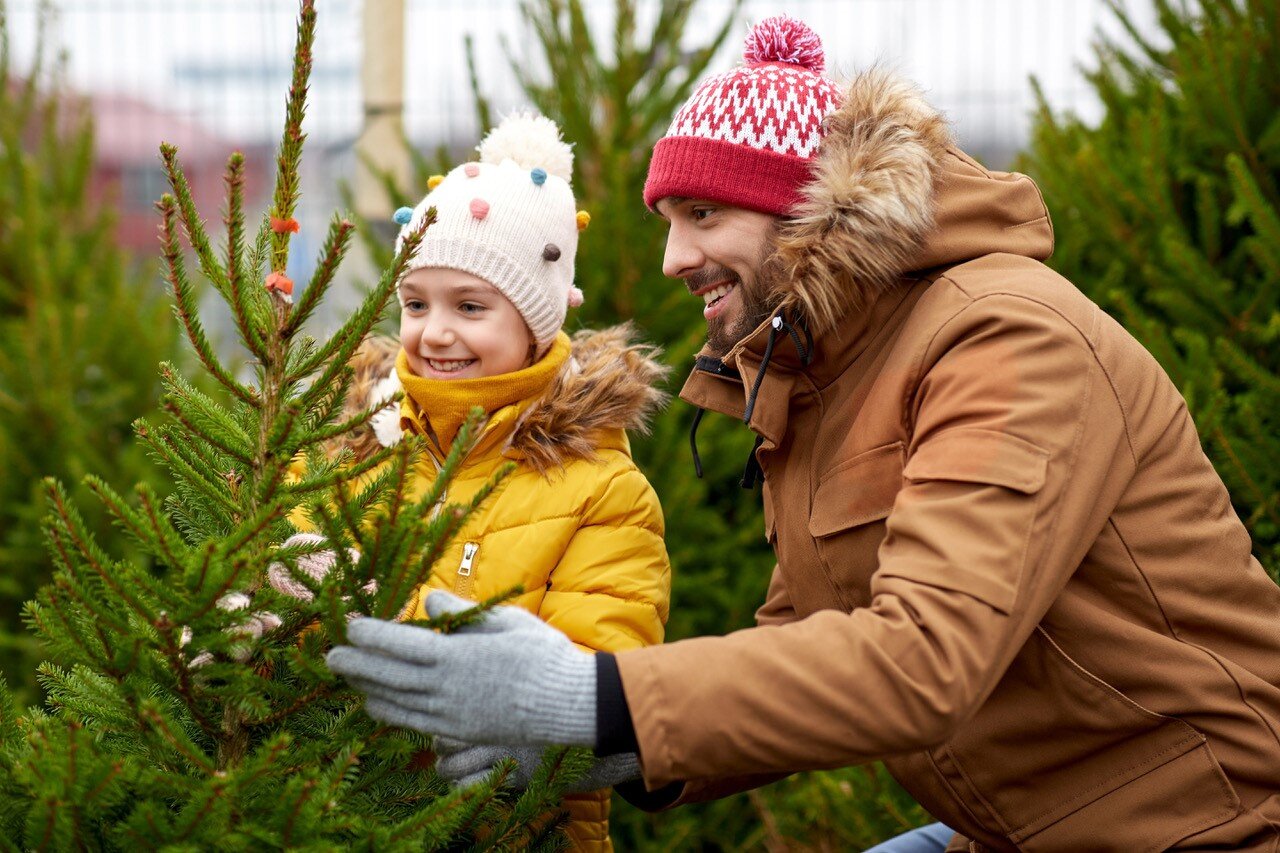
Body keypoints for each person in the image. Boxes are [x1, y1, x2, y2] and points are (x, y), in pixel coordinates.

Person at [327, 16, 1280, 852]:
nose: (673, 257)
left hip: (1202, 824)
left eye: (703, 214)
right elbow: (805, 635)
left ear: (807, 211)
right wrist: (613, 751)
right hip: (1013, 831)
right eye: (669, 220)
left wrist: (592, 699)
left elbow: (924, 658)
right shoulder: (823, 370)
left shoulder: (1008, 338)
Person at [320, 112, 671, 852]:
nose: (435, 332)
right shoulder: (356, 445)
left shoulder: (602, 490)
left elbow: (606, 690)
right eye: (416, 303)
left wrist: (369, 601)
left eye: (470, 306)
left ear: (535, 322)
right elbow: (272, 557)